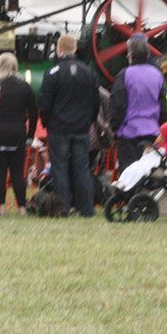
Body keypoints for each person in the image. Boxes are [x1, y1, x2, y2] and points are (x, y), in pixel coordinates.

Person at [38, 34, 100, 217]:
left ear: (59, 49)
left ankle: (62, 208)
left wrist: (47, 123)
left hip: (59, 129)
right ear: (75, 49)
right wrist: (88, 121)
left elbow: (45, 103)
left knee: (59, 168)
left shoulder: (52, 73)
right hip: (82, 129)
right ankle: (86, 208)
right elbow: (95, 103)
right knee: (82, 168)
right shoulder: (88, 72)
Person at [109, 35, 167, 173]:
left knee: (128, 173)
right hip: (153, 131)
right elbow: (163, 104)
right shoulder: (157, 74)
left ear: (130, 56)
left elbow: (118, 104)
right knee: (148, 172)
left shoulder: (124, 75)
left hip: (129, 131)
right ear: (148, 55)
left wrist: (115, 128)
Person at [0, 52, 37, 215]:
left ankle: (1, 208)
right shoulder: (24, 86)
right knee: (17, 172)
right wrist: (30, 135)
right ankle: (22, 208)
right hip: (17, 133)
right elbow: (33, 113)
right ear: (15, 66)